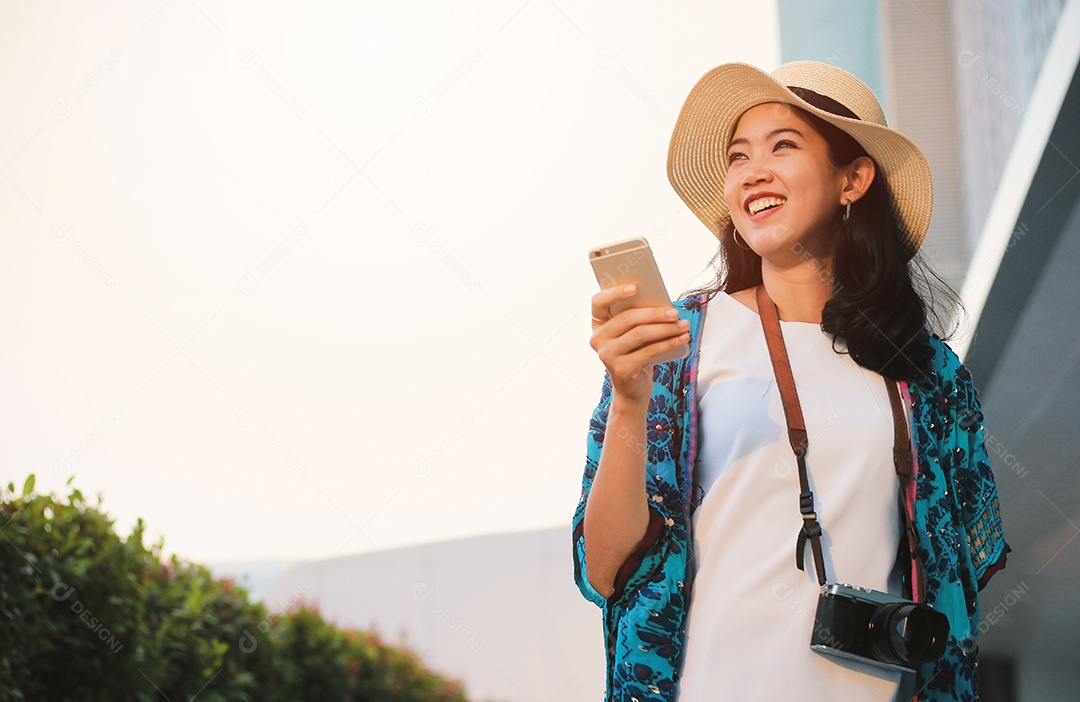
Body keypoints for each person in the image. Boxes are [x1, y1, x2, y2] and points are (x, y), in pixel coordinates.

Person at [571, 61, 1009, 702]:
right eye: (738, 156)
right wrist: (631, 403)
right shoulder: (681, 346)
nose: (753, 171)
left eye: (784, 145)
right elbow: (605, 571)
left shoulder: (930, 374)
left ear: (853, 179)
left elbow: (972, 560)